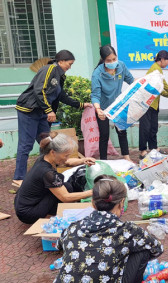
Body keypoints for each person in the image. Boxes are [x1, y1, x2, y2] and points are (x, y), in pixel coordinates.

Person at [55, 174, 163, 283]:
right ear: (121, 202)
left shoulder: (73, 227)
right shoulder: (127, 230)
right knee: (142, 249)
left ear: (92, 203)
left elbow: (59, 245)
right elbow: (157, 248)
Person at [13, 50, 92, 188]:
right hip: (29, 111)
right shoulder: (49, 69)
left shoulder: (60, 76)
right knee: (26, 145)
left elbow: (61, 96)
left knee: (48, 143)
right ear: (61, 61)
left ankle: (45, 172)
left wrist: (80, 105)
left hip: (42, 112)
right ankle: (18, 178)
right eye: (69, 63)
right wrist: (49, 110)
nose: (70, 67)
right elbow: (40, 90)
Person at [14, 132, 95, 224]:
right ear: (53, 152)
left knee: (66, 186)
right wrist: (92, 192)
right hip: (28, 213)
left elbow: (68, 162)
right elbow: (65, 197)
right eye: (66, 155)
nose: (66, 158)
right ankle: (50, 216)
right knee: (66, 190)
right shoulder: (47, 173)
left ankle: (52, 212)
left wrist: (83, 160)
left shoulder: (45, 158)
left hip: (22, 205)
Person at [91, 44, 134, 161]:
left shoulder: (121, 66)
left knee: (122, 131)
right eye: (109, 60)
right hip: (103, 107)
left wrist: (142, 85)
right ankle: (104, 161)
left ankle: (126, 157)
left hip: (118, 105)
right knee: (104, 135)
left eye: (114, 59)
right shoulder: (97, 74)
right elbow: (95, 95)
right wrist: (98, 109)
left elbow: (131, 81)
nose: (112, 62)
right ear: (103, 60)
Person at [139, 50, 168, 159]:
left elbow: (159, 89)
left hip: (154, 103)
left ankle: (154, 148)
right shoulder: (155, 69)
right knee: (145, 128)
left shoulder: (157, 69)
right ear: (162, 59)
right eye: (167, 61)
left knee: (153, 127)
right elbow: (164, 85)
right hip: (147, 102)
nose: (167, 64)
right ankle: (142, 151)